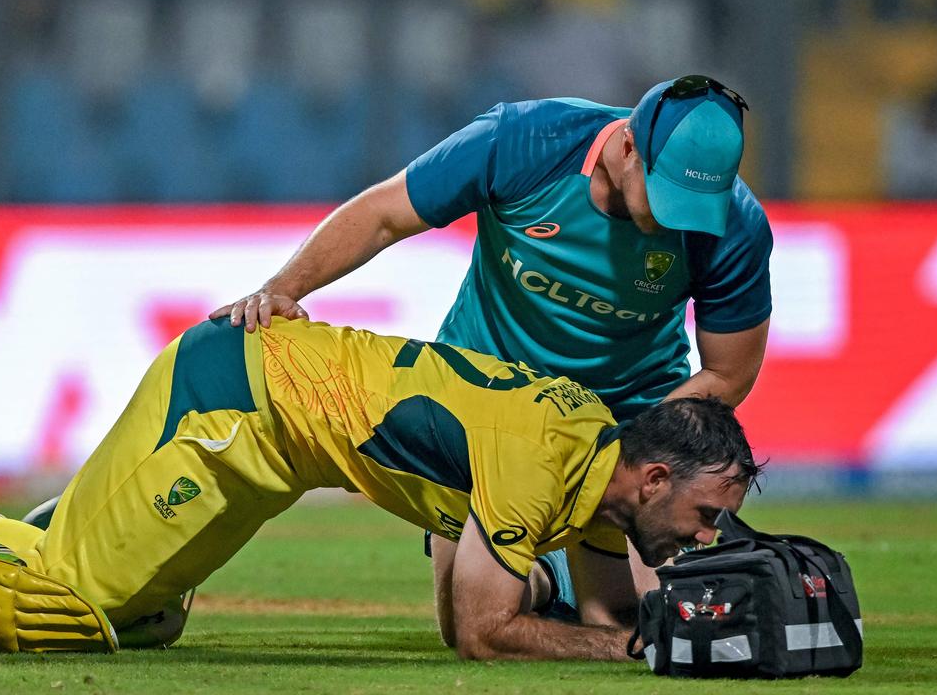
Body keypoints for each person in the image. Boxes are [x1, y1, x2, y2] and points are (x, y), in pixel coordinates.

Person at [0, 317, 760, 659]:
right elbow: (484, 628)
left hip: (267, 430)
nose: (705, 534)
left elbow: (605, 612)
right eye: (706, 515)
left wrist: (656, 628)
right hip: (235, 407)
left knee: (140, 611)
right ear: (653, 475)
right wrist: (627, 646)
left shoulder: (596, 465)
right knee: (62, 600)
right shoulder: (547, 458)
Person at [211, 75, 773, 597]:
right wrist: (284, 287)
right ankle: (546, 583)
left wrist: (626, 449)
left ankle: (569, 575)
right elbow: (384, 214)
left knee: (657, 616)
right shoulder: (524, 141)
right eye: (668, 196)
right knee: (473, 611)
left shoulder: (734, 224)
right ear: (629, 148)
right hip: (487, 404)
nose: (683, 220)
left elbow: (728, 372)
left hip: (631, 414)